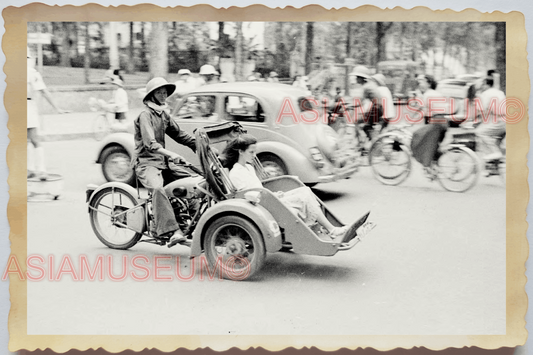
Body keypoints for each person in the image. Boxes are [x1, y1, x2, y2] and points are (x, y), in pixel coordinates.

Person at [221, 134, 348, 239]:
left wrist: (275, 195)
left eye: (255, 152)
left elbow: (257, 188)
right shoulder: (235, 173)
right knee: (303, 196)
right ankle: (331, 229)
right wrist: (272, 196)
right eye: (251, 152)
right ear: (241, 152)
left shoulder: (248, 167)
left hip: (267, 198)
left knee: (305, 190)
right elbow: (247, 195)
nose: (254, 155)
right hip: (261, 204)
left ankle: (329, 228)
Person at [133, 77, 197, 247]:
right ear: (152, 95)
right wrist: (171, 154)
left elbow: (180, 135)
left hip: (163, 162)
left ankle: (195, 222)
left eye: (165, 93)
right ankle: (172, 231)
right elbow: (150, 144)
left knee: (193, 182)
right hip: (147, 163)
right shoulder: (145, 115)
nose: (163, 96)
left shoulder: (163, 115)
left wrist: (198, 145)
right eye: (159, 92)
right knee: (157, 189)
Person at [27, 47, 67, 180]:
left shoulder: (32, 73)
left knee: (34, 139)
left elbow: (44, 91)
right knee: (26, 140)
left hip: (27, 106)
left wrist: (57, 108)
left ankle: (41, 170)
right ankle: (30, 168)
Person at [409, 74, 450, 176]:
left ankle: (428, 167)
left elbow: (421, 110)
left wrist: (411, 121)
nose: (420, 84)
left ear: (429, 83)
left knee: (417, 137)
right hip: (444, 122)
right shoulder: (435, 93)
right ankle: (433, 167)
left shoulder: (428, 94)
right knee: (433, 145)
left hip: (437, 122)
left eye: (422, 82)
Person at [475, 74, 506, 160]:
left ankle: (495, 152)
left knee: (480, 132)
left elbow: (481, 110)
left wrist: (474, 120)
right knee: (496, 142)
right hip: (506, 120)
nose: (481, 87)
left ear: (486, 84)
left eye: (482, 84)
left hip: (498, 121)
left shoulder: (486, 94)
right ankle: (494, 167)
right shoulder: (499, 92)